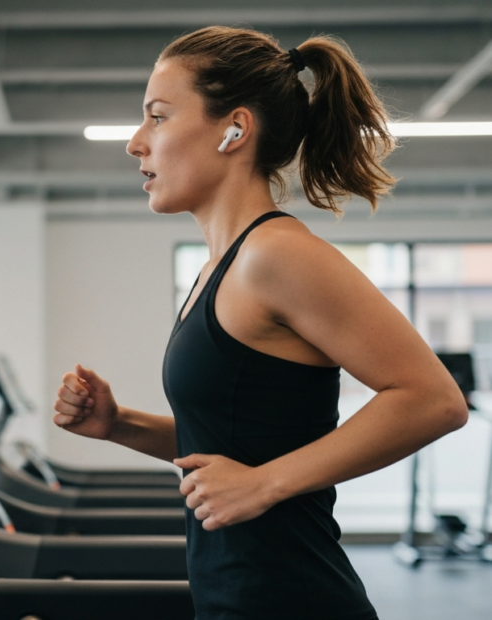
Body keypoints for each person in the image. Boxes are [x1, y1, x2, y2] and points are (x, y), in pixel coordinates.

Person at [52, 26, 468, 620]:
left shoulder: (276, 255)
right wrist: (119, 424)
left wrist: (265, 484)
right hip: (237, 596)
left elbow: (434, 399)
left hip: (293, 600)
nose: (135, 143)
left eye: (158, 117)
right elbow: (236, 443)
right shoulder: (219, 269)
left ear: (235, 129)